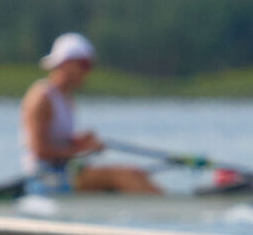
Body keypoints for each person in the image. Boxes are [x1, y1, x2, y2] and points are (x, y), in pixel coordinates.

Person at [21, 33, 158, 194]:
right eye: (84, 65)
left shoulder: (65, 98)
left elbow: (56, 141)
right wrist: (82, 151)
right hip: (44, 178)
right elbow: (40, 151)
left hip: (64, 171)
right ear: (66, 63)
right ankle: (169, 210)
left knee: (136, 173)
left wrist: (79, 142)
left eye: (89, 65)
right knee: (125, 176)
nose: (88, 72)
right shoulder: (41, 97)